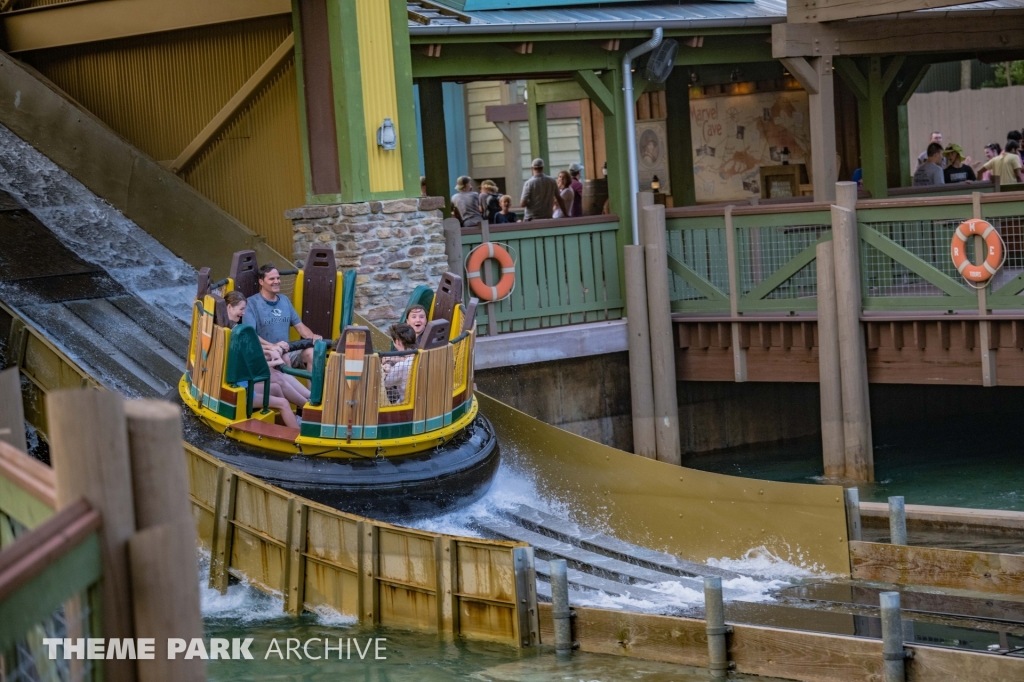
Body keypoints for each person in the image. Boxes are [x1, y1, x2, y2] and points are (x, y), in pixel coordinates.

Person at [224, 291, 300, 428]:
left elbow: (251, 355)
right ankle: (298, 437)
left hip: (244, 385)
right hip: (242, 392)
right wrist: (275, 361)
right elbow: (251, 364)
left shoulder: (232, 330)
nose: (243, 313)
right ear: (229, 307)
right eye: (241, 309)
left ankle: (290, 422)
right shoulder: (234, 334)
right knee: (282, 402)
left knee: (277, 387)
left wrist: (270, 351)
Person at [241, 263, 322, 372]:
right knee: (283, 359)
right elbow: (250, 335)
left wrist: (314, 338)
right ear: (261, 282)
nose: (277, 281)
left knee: (313, 353)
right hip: (267, 353)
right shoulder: (251, 303)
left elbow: (300, 327)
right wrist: (273, 346)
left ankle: (313, 390)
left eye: (278, 278)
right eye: (272, 279)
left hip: (287, 351)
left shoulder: (284, 300)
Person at [383, 323, 417, 404]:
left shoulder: (401, 366)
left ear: (397, 342)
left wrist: (386, 370)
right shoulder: (424, 354)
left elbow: (385, 385)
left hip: (405, 403)